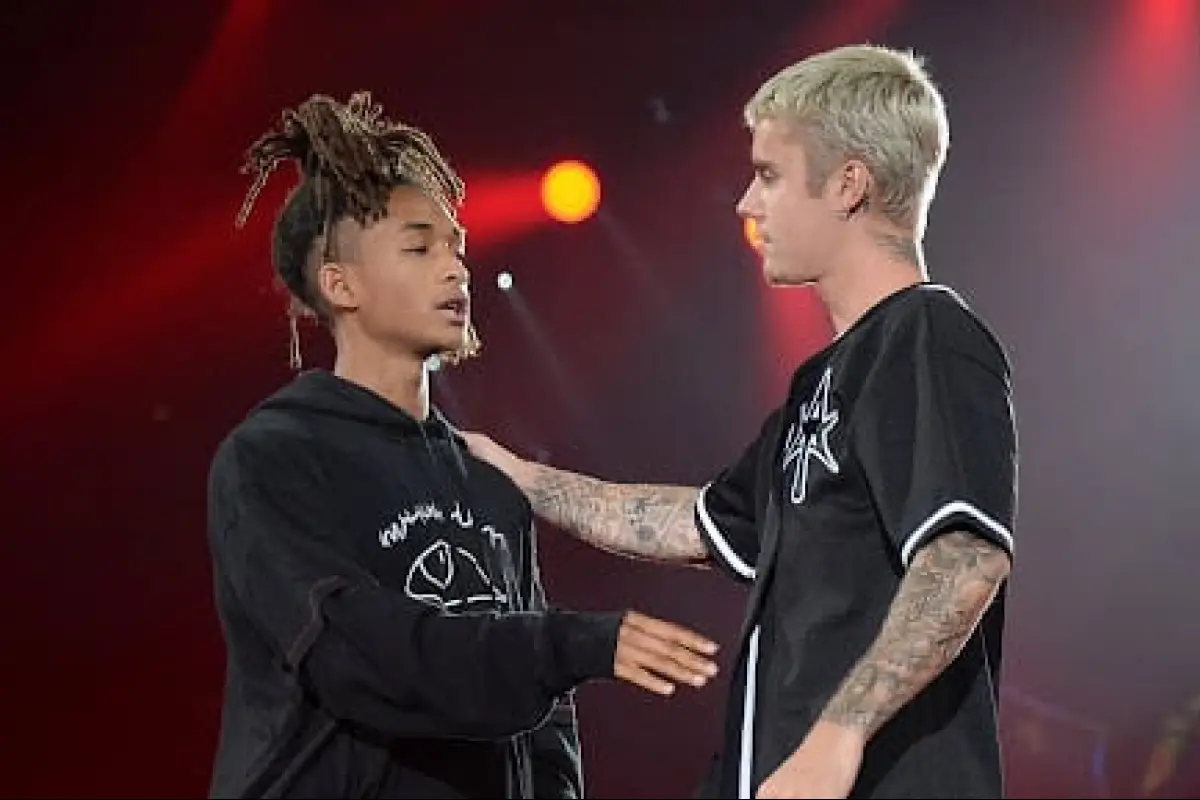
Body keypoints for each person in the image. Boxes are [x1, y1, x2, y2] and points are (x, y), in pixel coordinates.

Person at [465, 44, 1017, 798]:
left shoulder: (927, 334)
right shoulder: (818, 382)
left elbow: (964, 559)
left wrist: (837, 739)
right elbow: (697, 522)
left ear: (849, 183)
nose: (746, 205)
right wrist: (524, 479)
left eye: (769, 175)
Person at [206, 90, 719, 799]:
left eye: (458, 247)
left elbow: (544, 727)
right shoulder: (274, 457)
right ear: (340, 283)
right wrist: (572, 643)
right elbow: (360, 654)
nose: (457, 269)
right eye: (420, 247)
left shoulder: (481, 477)